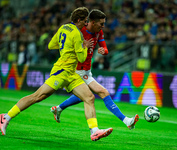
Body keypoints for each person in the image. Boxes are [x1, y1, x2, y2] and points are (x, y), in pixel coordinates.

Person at [0, 7, 113, 141]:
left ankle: (94, 131)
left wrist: (66, 48)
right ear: (78, 20)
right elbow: (82, 59)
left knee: (89, 98)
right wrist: (85, 46)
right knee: (37, 96)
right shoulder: (77, 34)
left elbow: (51, 45)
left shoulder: (63, 28)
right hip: (62, 71)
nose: (85, 23)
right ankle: (5, 117)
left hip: (71, 73)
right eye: (84, 20)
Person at [50, 9, 139, 130]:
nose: (103, 26)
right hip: (75, 71)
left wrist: (104, 51)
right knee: (102, 93)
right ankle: (126, 121)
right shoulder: (79, 30)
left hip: (86, 71)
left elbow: (104, 47)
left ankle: (58, 108)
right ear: (92, 22)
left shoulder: (99, 32)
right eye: (101, 23)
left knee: (85, 96)